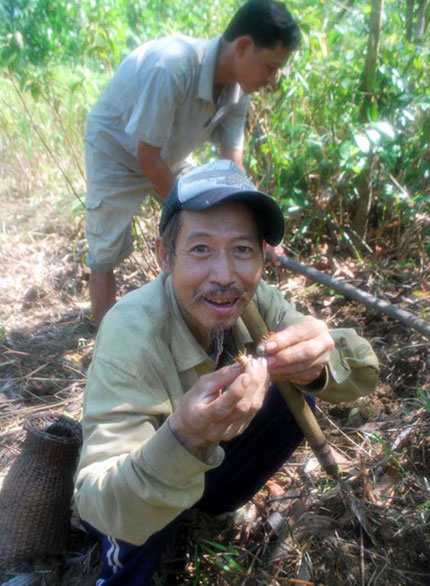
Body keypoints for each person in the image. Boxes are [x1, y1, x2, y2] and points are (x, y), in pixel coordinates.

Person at [74, 160, 379, 585]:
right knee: (134, 531)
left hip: (200, 481)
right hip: (131, 496)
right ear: (165, 255)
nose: (224, 276)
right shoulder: (131, 334)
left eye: (242, 250)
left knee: (298, 392)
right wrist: (183, 437)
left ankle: (205, 512)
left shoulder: (255, 301)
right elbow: (100, 501)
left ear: (262, 257)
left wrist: (319, 361)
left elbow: (361, 368)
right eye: (200, 249)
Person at [84, 0, 301, 325]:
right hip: (115, 154)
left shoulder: (239, 90)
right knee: (104, 253)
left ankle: (198, 325)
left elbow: (232, 164)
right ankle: (105, 342)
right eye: (270, 66)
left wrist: (257, 232)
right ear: (243, 46)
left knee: (219, 223)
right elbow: (146, 155)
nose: (273, 78)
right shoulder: (172, 66)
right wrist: (198, 213)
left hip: (168, 156)